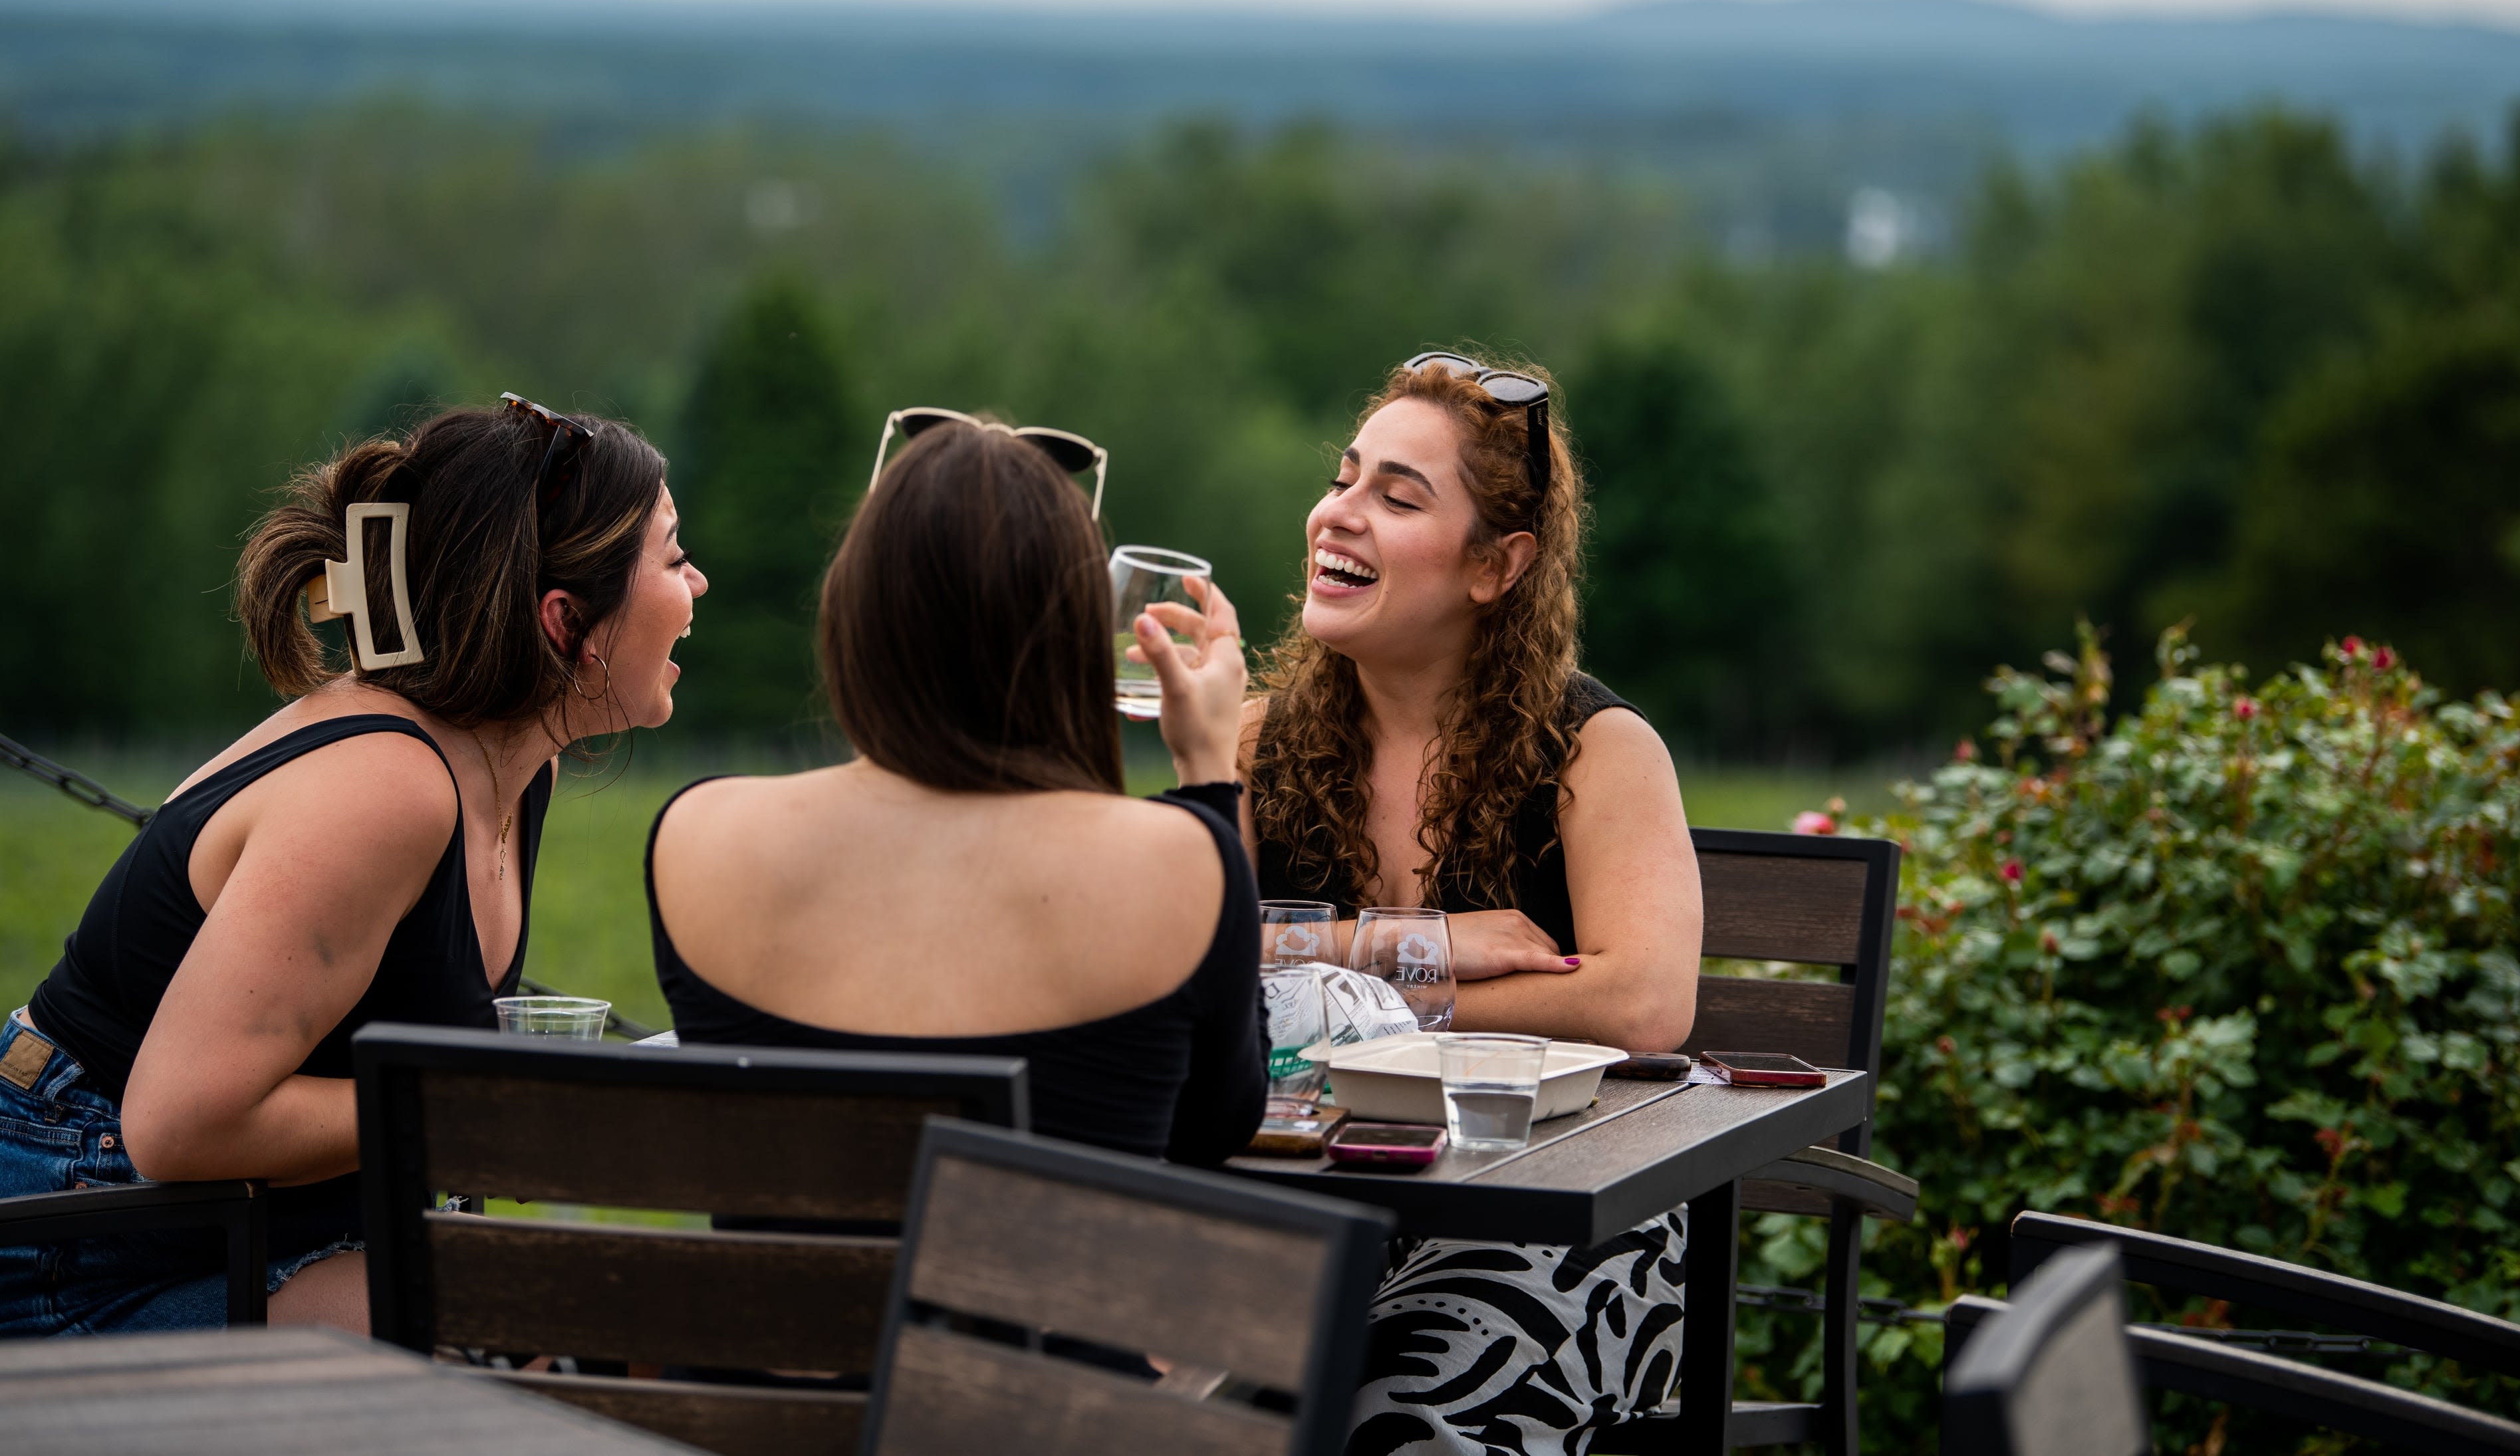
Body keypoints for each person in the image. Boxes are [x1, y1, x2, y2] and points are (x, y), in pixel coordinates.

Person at [0, 397, 702, 1338]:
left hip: (253, 1221)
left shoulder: (505, 766)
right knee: (601, 1334)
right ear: (567, 617)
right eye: (672, 553)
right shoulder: (386, 786)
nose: (698, 581)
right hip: (87, 1228)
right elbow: (177, 1123)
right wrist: (482, 1098)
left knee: (636, 1328)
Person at [1247, 352, 1705, 1453]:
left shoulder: (1595, 748)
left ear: (1497, 567)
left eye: (1396, 498)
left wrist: (1346, 997)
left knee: (1385, 1412)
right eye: (1345, 477)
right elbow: (1191, 953)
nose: (1338, 514)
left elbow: (1642, 1004)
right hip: (1316, 1195)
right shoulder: (1263, 740)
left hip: (1556, 1216)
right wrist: (1426, 950)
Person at [647, 412, 1265, 1169]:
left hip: (776, 1293)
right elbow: (1216, 1129)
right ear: (1073, 631)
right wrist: (1208, 772)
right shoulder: (1183, 863)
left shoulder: (697, 836)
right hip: (1041, 1291)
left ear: (857, 610)